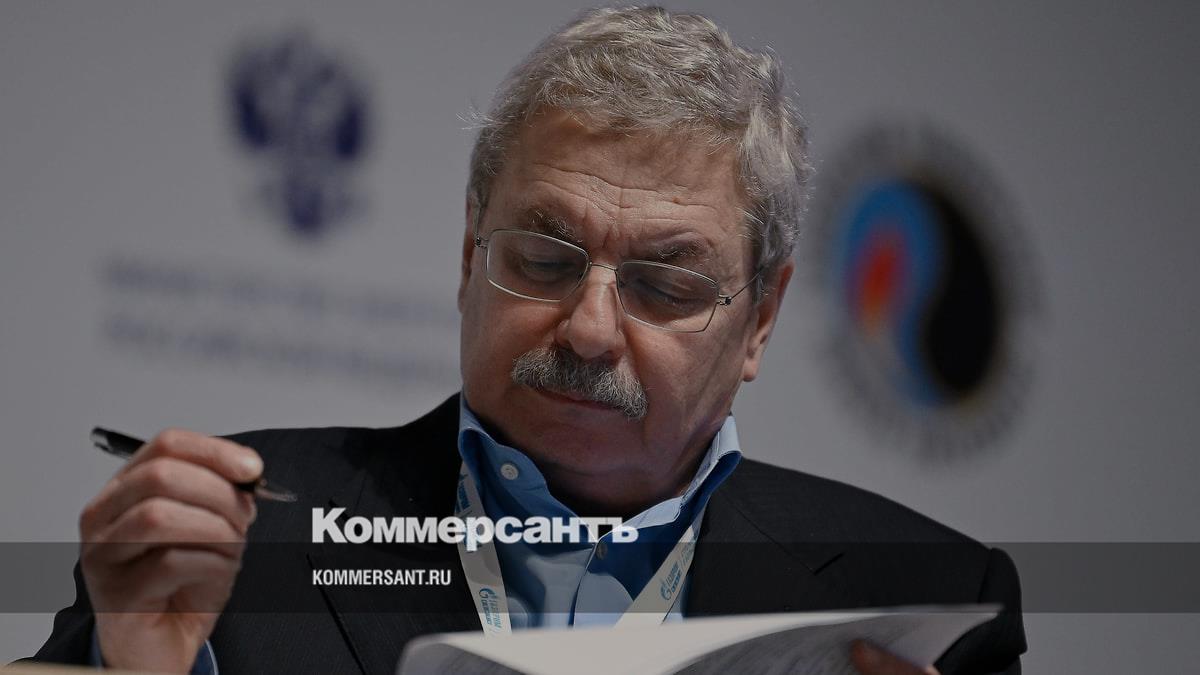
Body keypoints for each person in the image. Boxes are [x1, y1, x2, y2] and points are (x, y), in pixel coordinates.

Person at [30, 6, 1025, 674]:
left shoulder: (926, 595)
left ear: (760, 317)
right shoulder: (233, 546)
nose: (588, 330)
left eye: (663, 285)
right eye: (544, 260)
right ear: (469, 255)